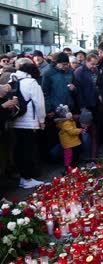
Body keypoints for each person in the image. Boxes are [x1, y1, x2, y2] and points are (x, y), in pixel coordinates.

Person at [9, 59, 46, 188]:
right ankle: (27, 179)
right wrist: (42, 121)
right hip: (29, 121)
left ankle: (22, 177)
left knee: (19, 149)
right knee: (28, 150)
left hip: (16, 119)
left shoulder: (12, 80)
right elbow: (39, 104)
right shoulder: (32, 82)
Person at [74, 54, 99, 160]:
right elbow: (78, 92)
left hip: (95, 104)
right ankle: (87, 154)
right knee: (85, 131)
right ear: (87, 61)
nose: (94, 66)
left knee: (94, 131)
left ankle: (93, 155)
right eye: (92, 64)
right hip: (84, 106)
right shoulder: (79, 72)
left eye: (95, 64)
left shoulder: (96, 71)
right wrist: (82, 106)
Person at [55, 104, 84, 173]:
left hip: (71, 142)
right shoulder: (66, 123)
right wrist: (80, 130)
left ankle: (71, 167)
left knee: (71, 155)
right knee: (70, 156)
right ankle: (69, 168)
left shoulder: (68, 121)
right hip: (70, 143)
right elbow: (71, 131)